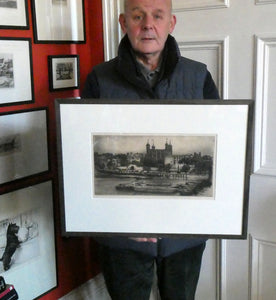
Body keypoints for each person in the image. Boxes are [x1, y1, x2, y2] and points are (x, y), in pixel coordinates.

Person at [82, 0, 219, 299]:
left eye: (158, 16)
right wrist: (118, 221)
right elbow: (83, 163)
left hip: (184, 235)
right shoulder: (98, 80)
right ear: (123, 22)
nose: (148, 24)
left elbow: (220, 154)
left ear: (171, 24)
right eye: (137, 16)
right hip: (121, 237)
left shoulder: (200, 77)